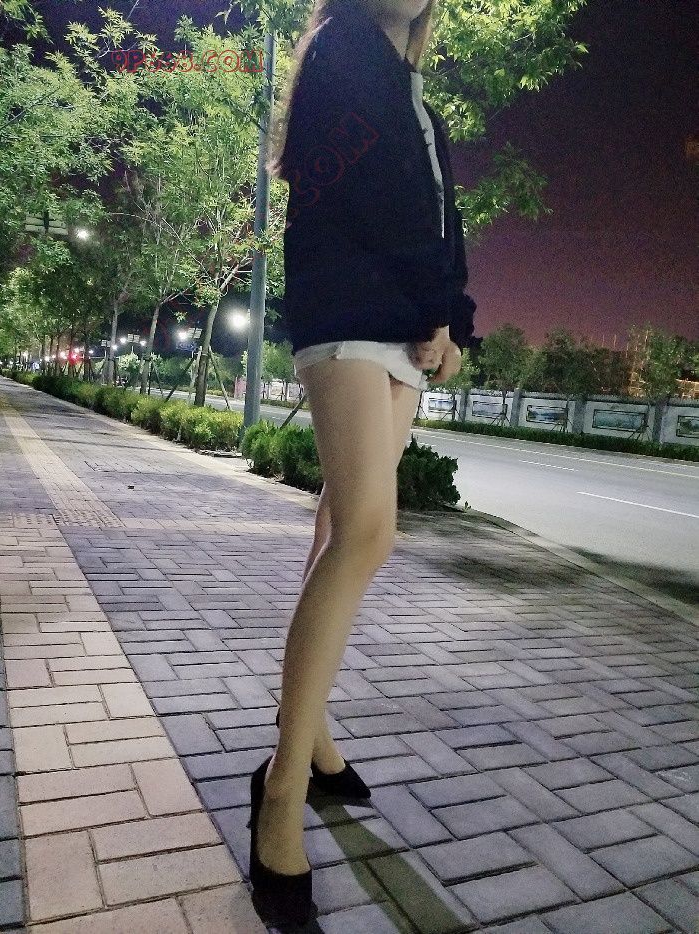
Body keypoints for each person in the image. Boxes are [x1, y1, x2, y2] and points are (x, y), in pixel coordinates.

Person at [249, 0, 476, 924]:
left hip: (408, 326)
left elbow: (444, 215)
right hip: (348, 305)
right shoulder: (341, 51)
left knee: (342, 522)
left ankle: (307, 735)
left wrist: (455, 322)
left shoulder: (422, 99)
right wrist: (436, 306)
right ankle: (279, 794)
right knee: (369, 535)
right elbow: (367, 198)